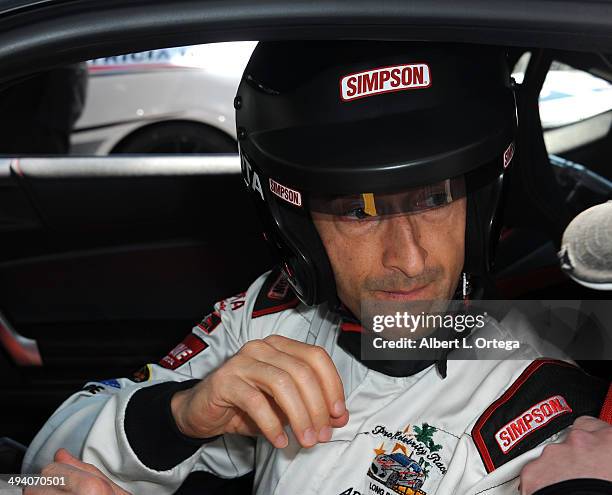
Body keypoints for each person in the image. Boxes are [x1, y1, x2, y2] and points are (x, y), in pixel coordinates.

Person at [23, 41, 612, 495]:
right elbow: (37, 471)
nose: (407, 260)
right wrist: (179, 417)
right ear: (295, 225)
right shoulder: (273, 316)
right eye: (356, 212)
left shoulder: (545, 410)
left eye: (435, 199)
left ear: (481, 203)